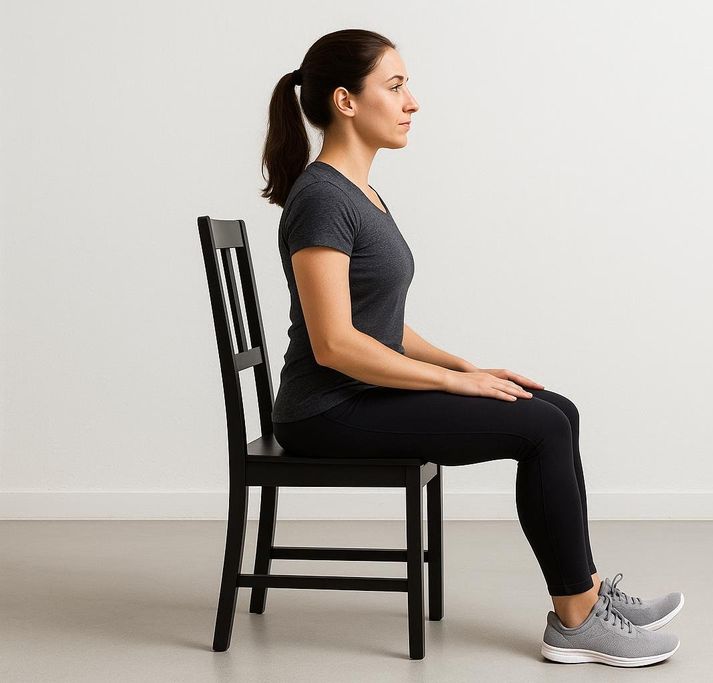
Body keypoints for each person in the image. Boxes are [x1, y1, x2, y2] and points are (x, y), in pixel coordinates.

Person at [260, 28, 682, 666]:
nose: (413, 102)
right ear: (346, 101)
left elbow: (381, 324)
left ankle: (587, 593)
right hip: (326, 413)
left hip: (359, 396)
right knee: (539, 428)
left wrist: (463, 364)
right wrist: (454, 385)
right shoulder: (322, 197)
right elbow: (336, 344)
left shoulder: (361, 193)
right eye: (396, 86)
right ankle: (575, 621)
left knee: (556, 409)